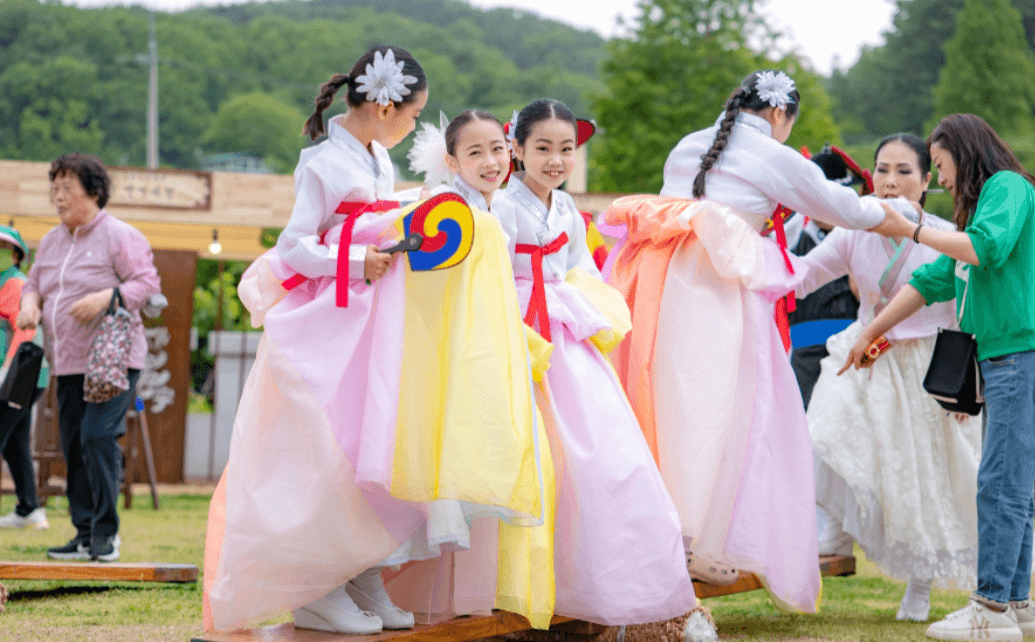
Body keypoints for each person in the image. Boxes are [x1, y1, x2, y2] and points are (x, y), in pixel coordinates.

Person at [202, 47, 557, 635]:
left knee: (376, 446)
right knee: (329, 452)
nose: (416, 126)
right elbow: (292, 245)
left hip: (367, 322)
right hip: (327, 322)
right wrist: (357, 255)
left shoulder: (373, 157)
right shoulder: (322, 163)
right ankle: (321, 586)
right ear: (387, 106)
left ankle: (364, 571)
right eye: (414, 116)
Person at [604, 70, 889, 613]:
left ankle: (675, 533)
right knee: (724, 413)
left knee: (671, 408)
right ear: (781, 116)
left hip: (662, 287)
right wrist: (896, 217)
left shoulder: (689, 145)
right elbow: (844, 208)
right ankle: (694, 541)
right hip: (717, 289)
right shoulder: (773, 155)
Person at [488, 98, 695, 625]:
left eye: (565, 150)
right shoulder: (502, 207)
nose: (556, 160)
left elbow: (584, 270)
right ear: (515, 148)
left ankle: (600, 577)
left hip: (566, 331)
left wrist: (595, 312)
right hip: (520, 327)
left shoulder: (567, 213)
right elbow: (490, 275)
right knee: (533, 449)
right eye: (542, 148)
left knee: (602, 451)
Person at [842, 114, 1035, 641]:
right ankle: (1015, 606)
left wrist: (914, 229)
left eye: (942, 166)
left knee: (1001, 484)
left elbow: (987, 249)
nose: (942, 179)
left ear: (964, 153)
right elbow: (932, 280)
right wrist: (870, 334)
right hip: (1003, 355)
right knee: (1012, 484)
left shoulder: (1007, 188)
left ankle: (991, 610)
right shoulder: (984, 206)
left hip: (1020, 352)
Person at [798, 133, 982, 622]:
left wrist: (967, 384)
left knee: (920, 479)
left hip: (924, 366)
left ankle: (918, 588)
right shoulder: (853, 231)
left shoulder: (943, 235)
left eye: (905, 171)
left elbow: (966, 314)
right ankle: (835, 527)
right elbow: (804, 275)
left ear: (926, 182)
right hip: (862, 356)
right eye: (882, 169)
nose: (891, 181)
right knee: (823, 430)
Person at [17, 153, 161, 562]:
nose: (58, 197)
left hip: (112, 361)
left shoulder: (119, 235)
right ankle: (83, 534)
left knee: (97, 437)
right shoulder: (51, 239)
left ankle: (106, 533)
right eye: (55, 189)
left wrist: (105, 298)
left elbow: (147, 284)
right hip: (67, 362)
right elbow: (34, 282)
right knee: (73, 444)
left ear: (94, 193)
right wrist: (30, 305)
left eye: (68, 189)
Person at [0, 226, 49, 530]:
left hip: (20, 374)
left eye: (5, 247)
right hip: (20, 375)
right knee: (15, 442)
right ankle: (29, 509)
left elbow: (26, 328)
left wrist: (8, 370)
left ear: (17, 255)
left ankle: (29, 508)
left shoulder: (15, 283)